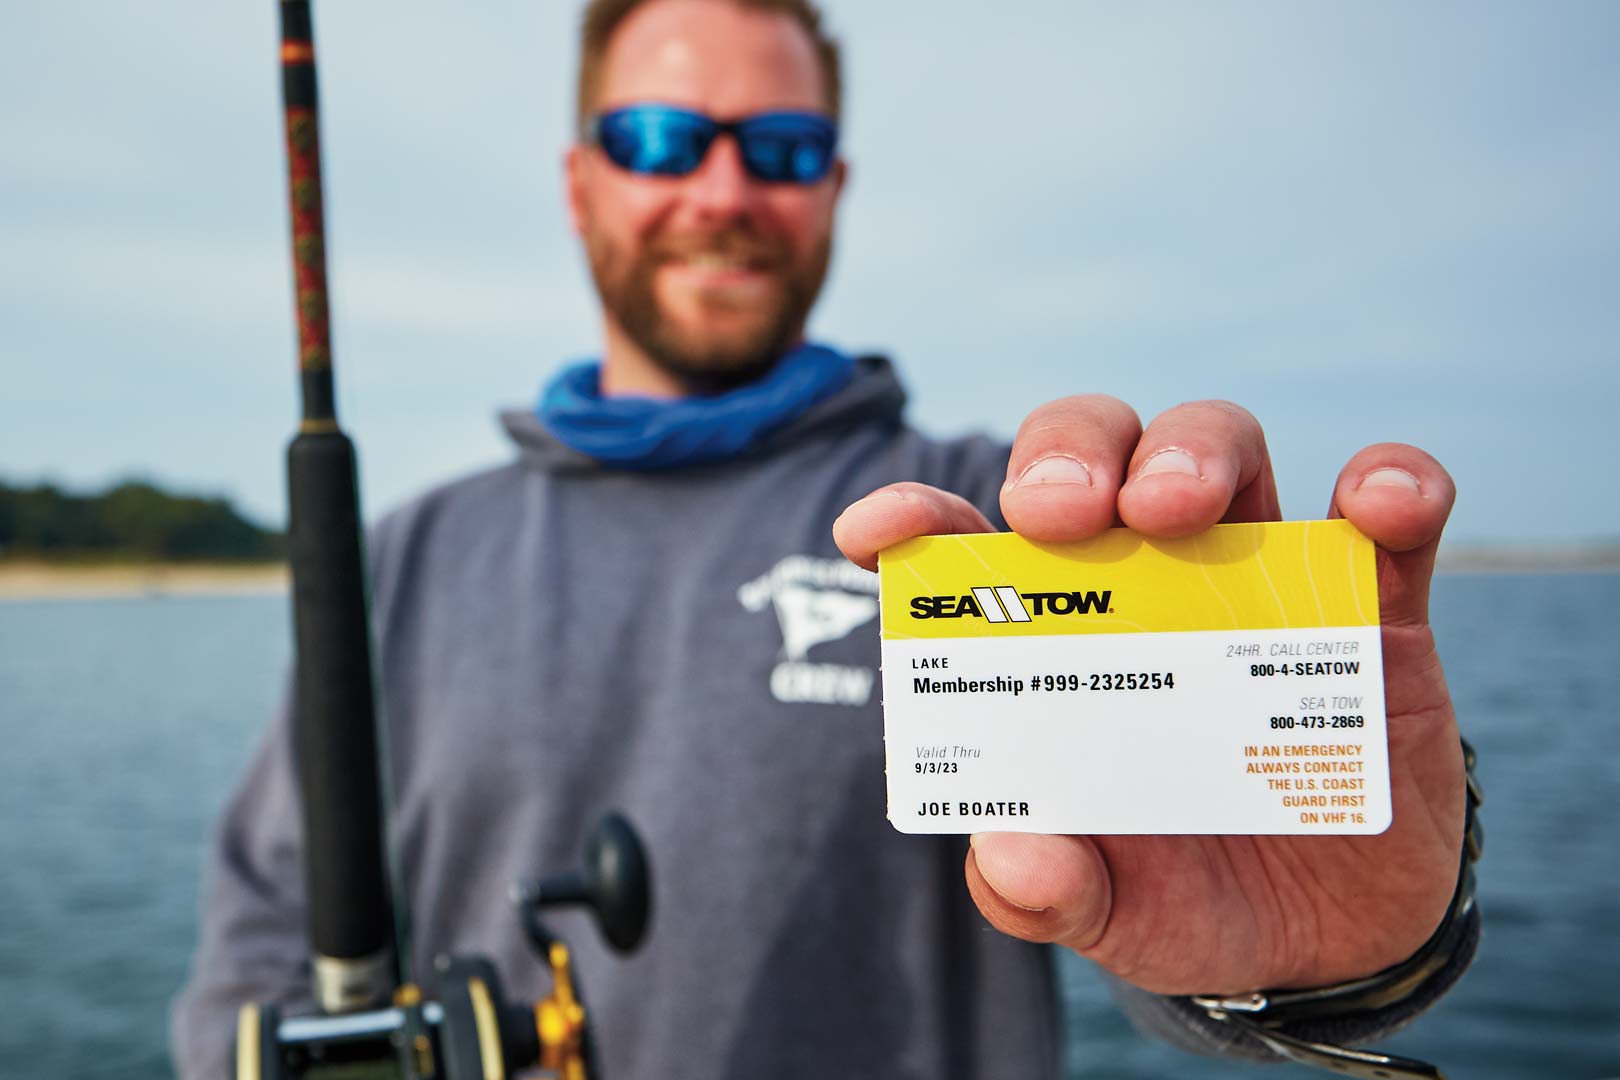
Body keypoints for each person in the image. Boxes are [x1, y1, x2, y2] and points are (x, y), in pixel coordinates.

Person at [173, 0, 1477, 1076]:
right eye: (661, 137)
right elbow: (255, 955)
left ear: (835, 187)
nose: (723, 189)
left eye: (782, 148)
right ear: (582, 186)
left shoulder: (989, 526)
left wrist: (1336, 964)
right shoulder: (403, 557)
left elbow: (1191, 929)